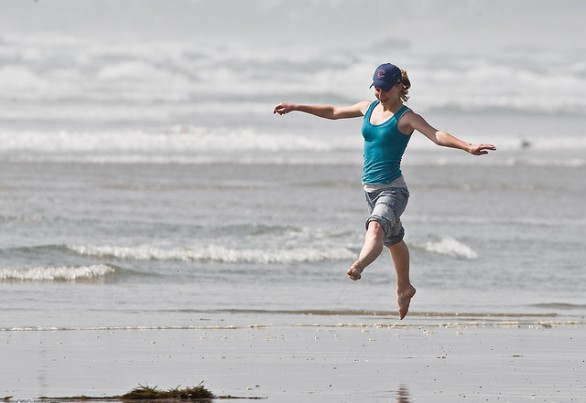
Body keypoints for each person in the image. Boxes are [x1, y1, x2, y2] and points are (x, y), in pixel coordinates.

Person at [273, 63, 496, 320]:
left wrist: (467, 146)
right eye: (377, 89)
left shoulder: (406, 117)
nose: (380, 95)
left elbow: (436, 135)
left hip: (393, 189)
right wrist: (297, 106)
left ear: (399, 87)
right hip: (370, 191)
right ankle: (404, 287)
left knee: (376, 227)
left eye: (385, 90)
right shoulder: (368, 107)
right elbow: (334, 111)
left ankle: (359, 265)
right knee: (394, 240)